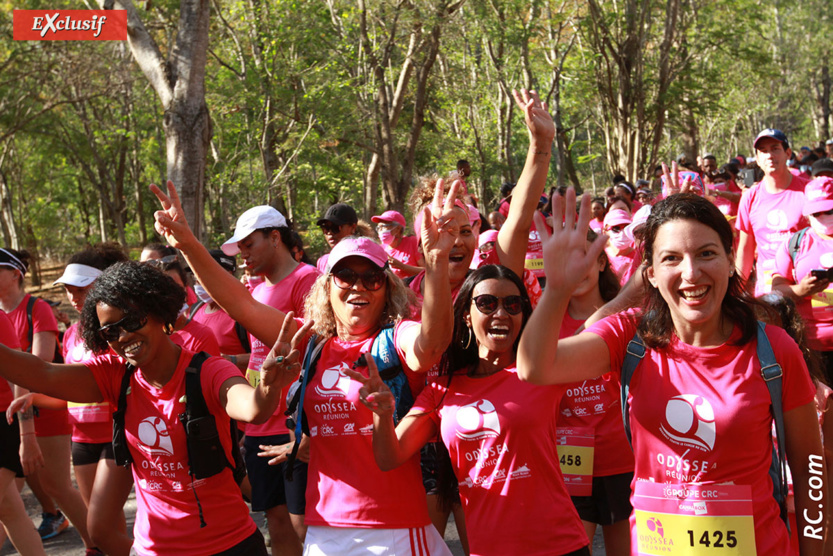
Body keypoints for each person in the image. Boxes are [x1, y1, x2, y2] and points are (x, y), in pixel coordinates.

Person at [152, 179, 461, 554]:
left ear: (387, 287)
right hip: (323, 528)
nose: (358, 286)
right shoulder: (311, 342)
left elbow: (432, 345)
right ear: (326, 286)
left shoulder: (395, 338)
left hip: (393, 528)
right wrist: (187, 244)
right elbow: (241, 306)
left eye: (372, 277)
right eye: (345, 276)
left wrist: (437, 262)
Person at [518, 190, 826, 555]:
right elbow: (535, 367)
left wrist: (816, 550)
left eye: (706, 254)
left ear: (731, 260)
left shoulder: (774, 350)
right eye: (671, 259)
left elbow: (812, 469)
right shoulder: (628, 338)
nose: (690, 273)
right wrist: (556, 289)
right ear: (650, 273)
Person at [0, 260, 301, 555]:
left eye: (132, 321)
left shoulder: (207, 370)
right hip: (153, 548)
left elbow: (251, 408)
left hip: (228, 545)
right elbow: (41, 373)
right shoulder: (115, 375)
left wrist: (267, 387)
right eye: (110, 332)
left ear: (157, 312)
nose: (124, 336)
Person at [351, 264, 590, 556]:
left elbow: (595, 327)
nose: (501, 313)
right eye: (487, 303)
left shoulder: (543, 371)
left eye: (512, 304)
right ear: (466, 315)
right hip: (487, 549)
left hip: (560, 545)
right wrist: (382, 413)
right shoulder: (441, 390)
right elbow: (389, 457)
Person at [220, 205, 319, 554]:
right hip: (260, 424)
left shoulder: (307, 279)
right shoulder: (255, 290)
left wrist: (303, 430)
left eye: (249, 245)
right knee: (276, 522)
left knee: (305, 525)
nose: (243, 254)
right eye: (240, 248)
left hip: (292, 427)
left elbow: (314, 350)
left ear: (275, 237)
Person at [0, 248, 96, 550]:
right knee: (10, 503)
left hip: (45, 406)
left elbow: (35, 365)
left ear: (16, 273)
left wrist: (25, 431)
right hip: (16, 412)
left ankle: (97, 543)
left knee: (56, 484)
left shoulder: (36, 307)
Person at [556, 230, 632, 555]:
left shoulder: (628, 319)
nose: (576, 267)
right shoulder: (544, 323)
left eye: (584, 256)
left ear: (602, 261)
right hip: (565, 463)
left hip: (623, 460)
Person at [736, 128, 810, 296]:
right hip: (767, 294)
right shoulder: (750, 198)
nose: (769, 155)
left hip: (805, 289)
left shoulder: (808, 191)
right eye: (763, 151)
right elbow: (745, 249)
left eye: (775, 148)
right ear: (757, 159)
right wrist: (736, 293)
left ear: (788, 153)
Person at [371, 210, 421, 279]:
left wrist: (401, 266)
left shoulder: (412, 242)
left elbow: (427, 271)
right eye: (379, 228)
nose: (381, 230)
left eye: (384, 226)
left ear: (398, 229)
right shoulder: (380, 249)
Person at [316, 203, 359, 273]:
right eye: (325, 228)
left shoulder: (364, 259)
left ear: (353, 228)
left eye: (335, 228)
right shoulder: (323, 261)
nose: (329, 233)